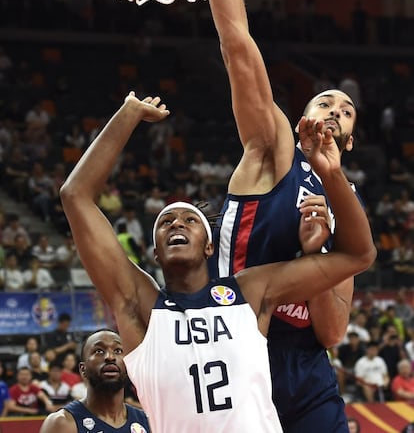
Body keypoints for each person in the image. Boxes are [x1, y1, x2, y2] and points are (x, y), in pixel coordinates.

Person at [59, 92, 375, 432]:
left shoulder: (248, 292)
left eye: (190, 220)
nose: (177, 223)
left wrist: (329, 181)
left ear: (211, 247)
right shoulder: (143, 308)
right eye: (165, 222)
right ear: (155, 253)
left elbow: (359, 255)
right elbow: (74, 196)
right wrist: (128, 113)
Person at [206, 0, 361, 431]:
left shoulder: (346, 206)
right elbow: (238, 45)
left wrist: (313, 262)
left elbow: (331, 333)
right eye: (325, 100)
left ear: (348, 139)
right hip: (236, 348)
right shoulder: (273, 146)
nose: (336, 108)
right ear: (303, 120)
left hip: (306, 371)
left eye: (346, 110)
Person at [39, 329, 150, 432]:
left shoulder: (147, 423)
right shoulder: (61, 423)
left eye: (118, 350)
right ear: (83, 369)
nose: (110, 357)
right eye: (99, 351)